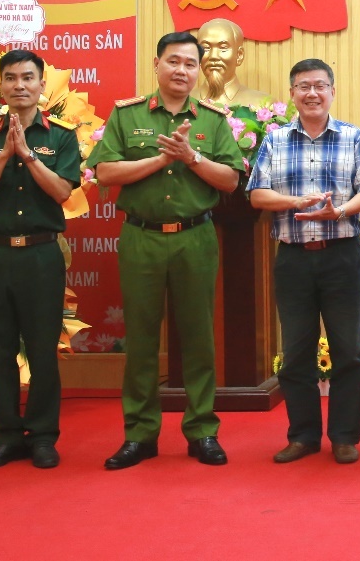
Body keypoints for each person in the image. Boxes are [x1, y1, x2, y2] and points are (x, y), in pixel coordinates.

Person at [87, 31, 244, 470]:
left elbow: (231, 180)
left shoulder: (213, 119)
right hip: (143, 238)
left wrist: (191, 157)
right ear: (157, 64)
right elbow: (105, 172)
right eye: (173, 61)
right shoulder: (128, 114)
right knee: (140, 339)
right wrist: (161, 160)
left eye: (190, 64)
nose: (182, 70)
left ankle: (202, 431)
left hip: (196, 238)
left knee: (198, 337)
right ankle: (139, 435)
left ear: (198, 71)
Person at [248, 58, 360, 466]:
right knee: (295, 353)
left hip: (342, 256)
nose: (312, 93)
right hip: (292, 259)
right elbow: (257, 195)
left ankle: (344, 436)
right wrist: (296, 203)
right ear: (292, 93)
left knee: (349, 351)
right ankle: (303, 436)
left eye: (320, 85)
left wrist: (338, 211)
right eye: (304, 86)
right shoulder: (274, 140)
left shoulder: (353, 137)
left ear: (332, 91)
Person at [0, 49, 82, 471]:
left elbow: (63, 192)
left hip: (41, 255)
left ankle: (44, 436)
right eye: (10, 78)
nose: (19, 85)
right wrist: (3, 154)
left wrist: (28, 154)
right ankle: (7, 436)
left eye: (28, 77)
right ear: (0, 86)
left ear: (41, 84)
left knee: (43, 349)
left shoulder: (61, 137)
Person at [195, 17, 273, 107]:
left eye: (223, 48)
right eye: (206, 48)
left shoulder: (263, 105)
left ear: (239, 55)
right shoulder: (183, 103)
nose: (213, 56)